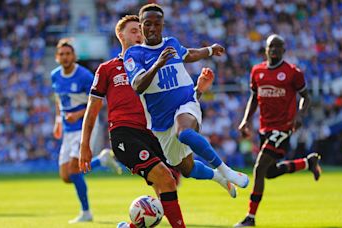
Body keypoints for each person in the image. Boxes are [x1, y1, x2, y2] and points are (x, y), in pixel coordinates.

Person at [124, 4, 249, 190]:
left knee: (185, 134)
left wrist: (209, 50)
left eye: (156, 24)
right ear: (141, 26)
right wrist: (158, 64)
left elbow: (188, 54)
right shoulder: (134, 54)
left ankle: (227, 171)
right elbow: (138, 85)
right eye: (147, 24)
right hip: (161, 123)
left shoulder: (171, 43)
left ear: (162, 25)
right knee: (187, 169)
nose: (152, 28)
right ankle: (219, 178)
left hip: (186, 103)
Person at [79, 15, 189, 228]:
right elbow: (92, 110)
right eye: (133, 31)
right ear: (120, 35)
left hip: (154, 133)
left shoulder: (152, 66)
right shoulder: (107, 69)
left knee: (168, 185)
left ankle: (131, 226)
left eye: (141, 30)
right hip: (125, 134)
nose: (139, 34)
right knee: (165, 179)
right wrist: (84, 144)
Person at [234, 34, 322, 227]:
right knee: (270, 172)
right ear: (265, 49)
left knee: (258, 169)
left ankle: (250, 217)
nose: (274, 50)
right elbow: (254, 98)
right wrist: (245, 120)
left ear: (284, 50)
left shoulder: (292, 72)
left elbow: (306, 97)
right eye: (270, 46)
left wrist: (299, 115)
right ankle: (308, 163)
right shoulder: (257, 71)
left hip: (283, 127)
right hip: (265, 127)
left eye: (278, 47)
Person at [51, 38, 121, 224]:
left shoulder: (84, 76)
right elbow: (59, 100)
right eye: (62, 54)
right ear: (57, 57)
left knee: (74, 171)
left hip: (85, 126)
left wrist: (78, 114)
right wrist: (58, 120)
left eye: (68, 54)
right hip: (67, 129)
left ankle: (86, 212)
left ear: (74, 56)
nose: (65, 57)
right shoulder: (55, 76)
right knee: (66, 176)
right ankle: (102, 160)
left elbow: (98, 102)